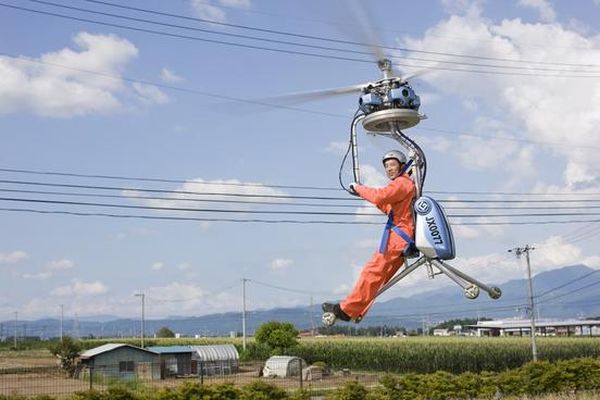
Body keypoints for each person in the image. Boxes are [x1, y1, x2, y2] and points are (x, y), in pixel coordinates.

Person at [323, 150, 416, 322]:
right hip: (403, 236)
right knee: (381, 278)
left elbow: (380, 196)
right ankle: (358, 311)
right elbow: (388, 207)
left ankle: (347, 309)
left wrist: (359, 188)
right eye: (386, 166)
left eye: (392, 165)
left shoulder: (401, 183)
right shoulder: (406, 184)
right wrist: (364, 194)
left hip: (397, 238)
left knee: (371, 272)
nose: (389, 169)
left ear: (402, 165)